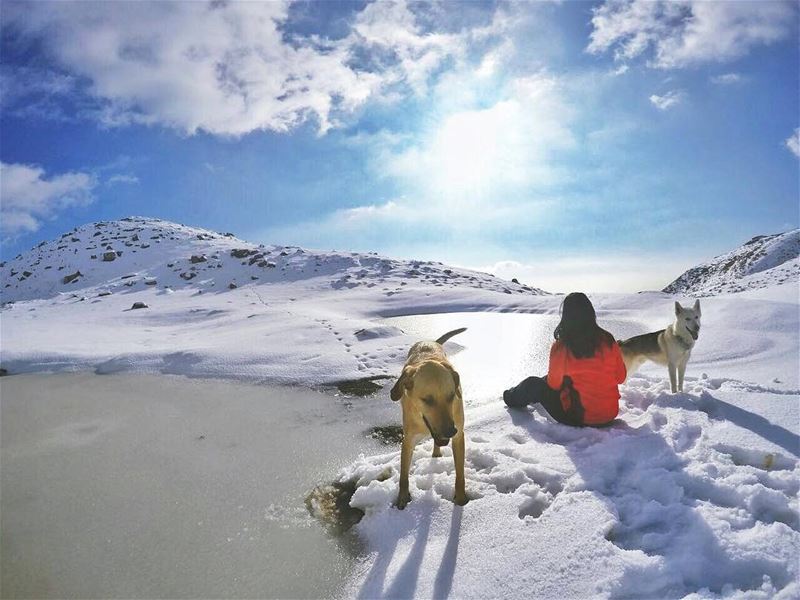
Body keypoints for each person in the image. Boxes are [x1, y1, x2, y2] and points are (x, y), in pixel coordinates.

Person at [503, 292, 626, 427]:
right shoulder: (608, 340)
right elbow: (620, 377)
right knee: (555, 378)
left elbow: (554, 384)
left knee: (533, 384)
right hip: (609, 414)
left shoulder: (562, 346)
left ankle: (509, 397)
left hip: (580, 417)